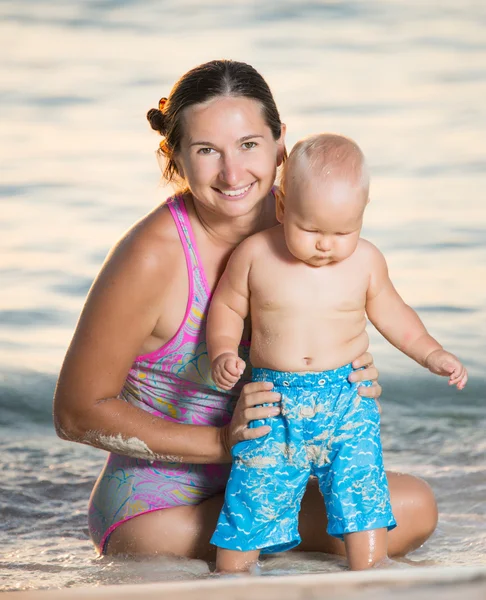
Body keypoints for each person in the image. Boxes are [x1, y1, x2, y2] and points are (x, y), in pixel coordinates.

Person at [53, 59, 438, 561]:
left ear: (281, 144)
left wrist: (348, 372)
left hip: (281, 470)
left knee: (413, 508)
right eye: (207, 150)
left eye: (249, 145)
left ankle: (277, 560)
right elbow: (76, 413)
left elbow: (360, 315)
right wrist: (224, 442)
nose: (233, 173)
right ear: (174, 156)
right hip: (166, 504)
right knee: (154, 544)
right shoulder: (153, 257)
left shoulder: (312, 221)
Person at [207, 132, 467, 572]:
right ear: (283, 207)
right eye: (310, 230)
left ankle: (370, 569)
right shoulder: (255, 254)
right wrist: (222, 352)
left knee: (360, 488)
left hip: (347, 398)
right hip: (274, 400)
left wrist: (431, 353)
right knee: (255, 489)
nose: (326, 244)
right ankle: (231, 574)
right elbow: (228, 306)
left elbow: (394, 314)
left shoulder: (365, 261)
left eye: (344, 231)